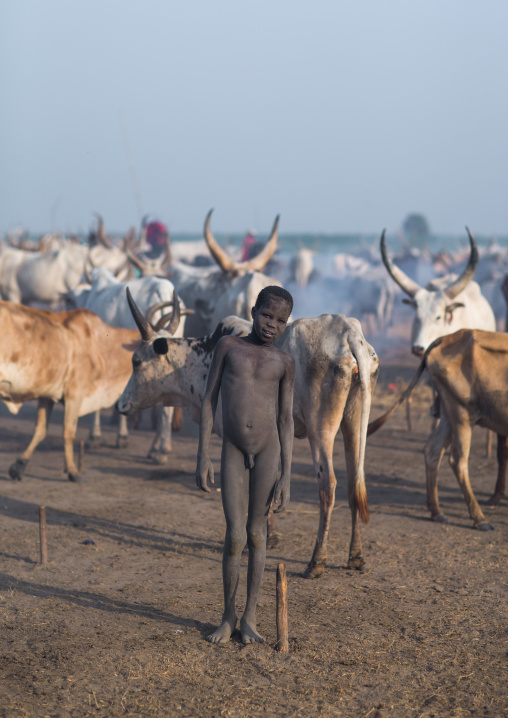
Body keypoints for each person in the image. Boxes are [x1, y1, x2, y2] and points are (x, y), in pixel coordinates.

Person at [196, 286, 295, 644]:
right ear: (253, 311)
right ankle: (227, 616)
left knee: (257, 533)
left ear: (286, 324)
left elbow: (286, 420)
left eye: (280, 320)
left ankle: (250, 617)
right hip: (233, 448)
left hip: (268, 451)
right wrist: (202, 454)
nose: (272, 325)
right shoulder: (229, 347)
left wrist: (287, 473)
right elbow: (208, 401)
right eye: (267, 315)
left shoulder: (284, 362)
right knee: (235, 535)